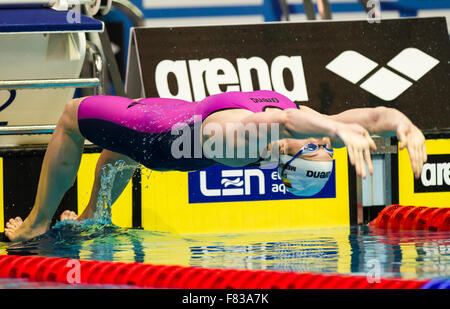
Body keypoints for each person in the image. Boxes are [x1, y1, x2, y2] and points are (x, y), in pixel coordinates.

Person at [4, 90, 427, 242]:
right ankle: (93, 216)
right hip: (178, 111)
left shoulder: (248, 140)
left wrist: (333, 129)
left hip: (158, 137)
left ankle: (36, 224)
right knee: (116, 156)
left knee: (70, 116)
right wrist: (404, 125)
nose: (323, 141)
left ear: (288, 156)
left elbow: (285, 119)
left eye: (316, 147)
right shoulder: (307, 134)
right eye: (324, 144)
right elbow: (371, 118)